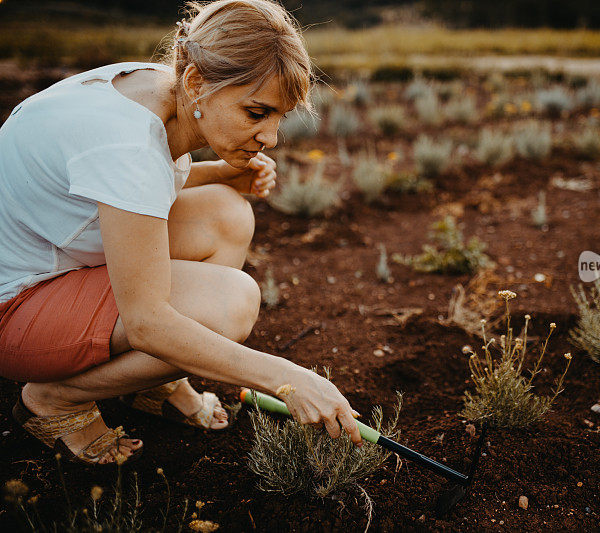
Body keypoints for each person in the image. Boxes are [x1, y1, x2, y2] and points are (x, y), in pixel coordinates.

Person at [0, 0, 362, 466]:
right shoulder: (127, 144)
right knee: (229, 304)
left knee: (225, 213)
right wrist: (289, 379)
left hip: (53, 254)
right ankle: (55, 399)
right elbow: (148, 321)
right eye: (256, 113)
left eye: (278, 118)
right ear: (196, 83)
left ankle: (154, 381)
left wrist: (215, 173)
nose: (270, 138)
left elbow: (106, 187)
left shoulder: (153, 84)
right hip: (15, 309)